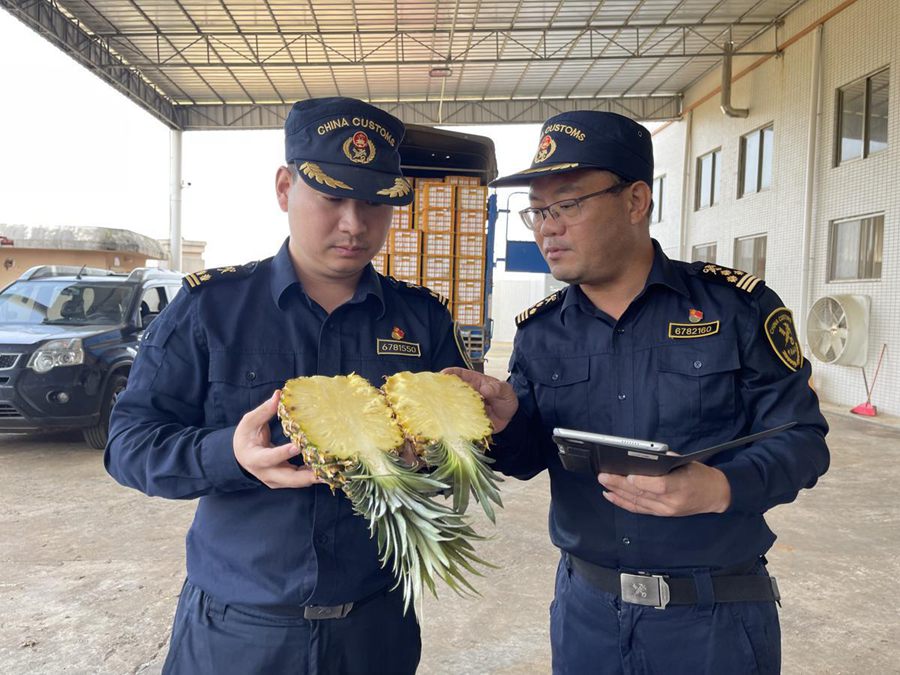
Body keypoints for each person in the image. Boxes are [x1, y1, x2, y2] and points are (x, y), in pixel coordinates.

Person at [448, 111, 829, 674]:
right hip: (587, 617)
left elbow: (803, 440)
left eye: (568, 204)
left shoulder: (736, 308)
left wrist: (721, 487)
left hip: (712, 621)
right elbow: (530, 458)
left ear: (635, 201)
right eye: (537, 210)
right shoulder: (539, 331)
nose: (546, 227)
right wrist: (505, 422)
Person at [105, 96, 471, 675]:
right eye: (332, 197)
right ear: (284, 188)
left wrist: (439, 452)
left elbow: (463, 457)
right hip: (238, 631)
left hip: (374, 628)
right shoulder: (212, 310)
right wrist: (229, 453)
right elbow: (128, 444)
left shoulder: (422, 319)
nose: (355, 223)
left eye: (375, 202)